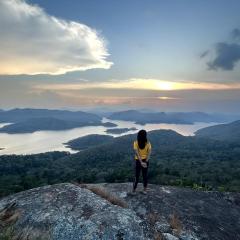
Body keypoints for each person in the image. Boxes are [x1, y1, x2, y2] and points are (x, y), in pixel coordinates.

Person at [132, 129, 151, 194]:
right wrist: (145, 162)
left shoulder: (136, 142)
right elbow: (149, 153)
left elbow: (137, 153)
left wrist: (141, 162)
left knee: (136, 176)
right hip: (146, 161)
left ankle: (134, 191)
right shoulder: (148, 143)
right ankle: (144, 190)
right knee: (145, 175)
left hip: (138, 161)